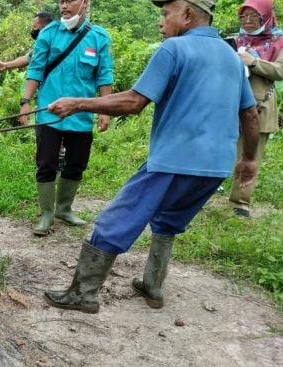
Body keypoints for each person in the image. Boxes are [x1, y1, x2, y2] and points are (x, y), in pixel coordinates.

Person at [42, 0, 260, 314]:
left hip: (174, 160)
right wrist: (250, 159)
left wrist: (76, 104)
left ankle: (83, 294)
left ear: (186, 15)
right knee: (169, 221)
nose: (161, 21)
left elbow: (133, 102)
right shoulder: (231, 54)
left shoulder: (173, 49)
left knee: (115, 221)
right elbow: (250, 114)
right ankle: (153, 286)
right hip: (216, 167)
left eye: (165, 13)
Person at [19, 0, 114, 236]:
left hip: (81, 114)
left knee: (77, 162)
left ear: (84, 3)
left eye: (69, 1)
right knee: (46, 162)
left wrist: (105, 108)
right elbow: (36, 68)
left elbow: (104, 74)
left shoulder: (98, 37)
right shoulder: (48, 33)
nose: (64, 6)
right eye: (60, 1)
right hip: (48, 113)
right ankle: (46, 214)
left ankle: (64, 208)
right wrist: (25, 102)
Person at [228, 0, 283, 218]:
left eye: (254, 16)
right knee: (226, 150)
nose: (248, 21)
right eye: (244, 16)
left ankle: (240, 204)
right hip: (231, 103)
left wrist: (252, 62)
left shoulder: (279, 41)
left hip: (260, 104)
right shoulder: (237, 39)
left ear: (266, 17)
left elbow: (281, 71)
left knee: (251, 153)